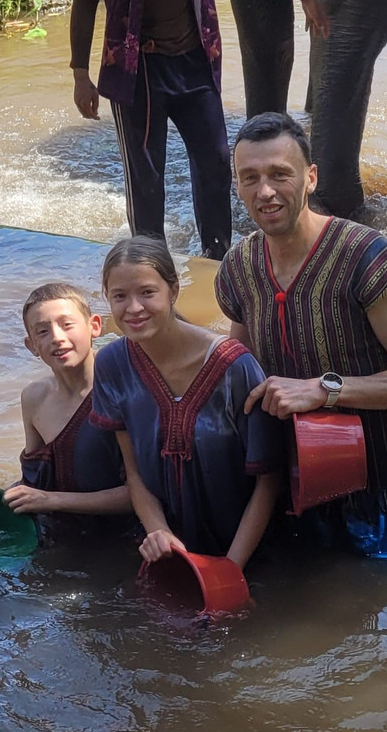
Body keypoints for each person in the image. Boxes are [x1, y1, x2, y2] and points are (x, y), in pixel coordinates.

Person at [215, 112, 387, 559]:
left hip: (380, 496)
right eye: (250, 178)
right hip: (289, 493)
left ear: (311, 178)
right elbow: (241, 376)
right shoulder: (237, 268)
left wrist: (324, 390)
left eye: (280, 174)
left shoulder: (367, 256)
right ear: (238, 187)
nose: (265, 192)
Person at [69, 0, 330, 261]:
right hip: (139, 69)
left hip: (194, 61)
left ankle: (217, 258)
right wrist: (80, 73)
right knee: (146, 175)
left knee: (217, 163)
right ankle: (151, 263)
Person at [89, 236, 283, 568]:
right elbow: (134, 473)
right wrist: (160, 535)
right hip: (168, 552)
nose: (133, 308)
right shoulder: (111, 364)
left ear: (174, 290)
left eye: (147, 293)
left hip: (246, 551)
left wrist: (232, 568)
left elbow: (269, 479)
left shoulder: (234, 365)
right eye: (119, 296)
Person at [3, 283, 131, 541]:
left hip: (121, 537)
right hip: (61, 529)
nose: (56, 337)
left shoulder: (122, 389)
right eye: (42, 331)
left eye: (67, 324)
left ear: (94, 326)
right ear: (32, 346)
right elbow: (35, 480)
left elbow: (141, 494)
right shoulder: (33, 398)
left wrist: (52, 500)